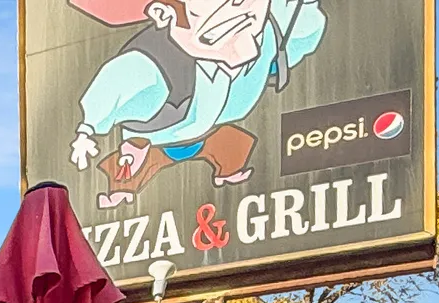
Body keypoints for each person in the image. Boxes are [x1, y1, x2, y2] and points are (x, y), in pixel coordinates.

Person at [67, 0, 327, 208]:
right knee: (129, 167)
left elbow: (305, 31)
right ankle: (123, 186)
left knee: (231, 146)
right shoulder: (154, 69)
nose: (242, 7)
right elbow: (116, 83)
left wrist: (304, 7)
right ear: (164, 13)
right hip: (156, 141)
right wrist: (87, 131)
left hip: (213, 134)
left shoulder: (268, 30)